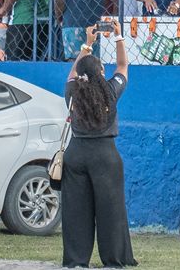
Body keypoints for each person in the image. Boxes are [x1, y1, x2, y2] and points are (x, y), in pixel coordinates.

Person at [62, 21, 134, 269]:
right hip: (105, 155)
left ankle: (76, 260)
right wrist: (118, 36)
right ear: (102, 73)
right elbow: (123, 66)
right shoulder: (111, 91)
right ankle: (113, 260)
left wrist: (87, 44)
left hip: (76, 153)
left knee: (75, 210)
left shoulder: (73, 90)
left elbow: (74, 73)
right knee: (110, 210)